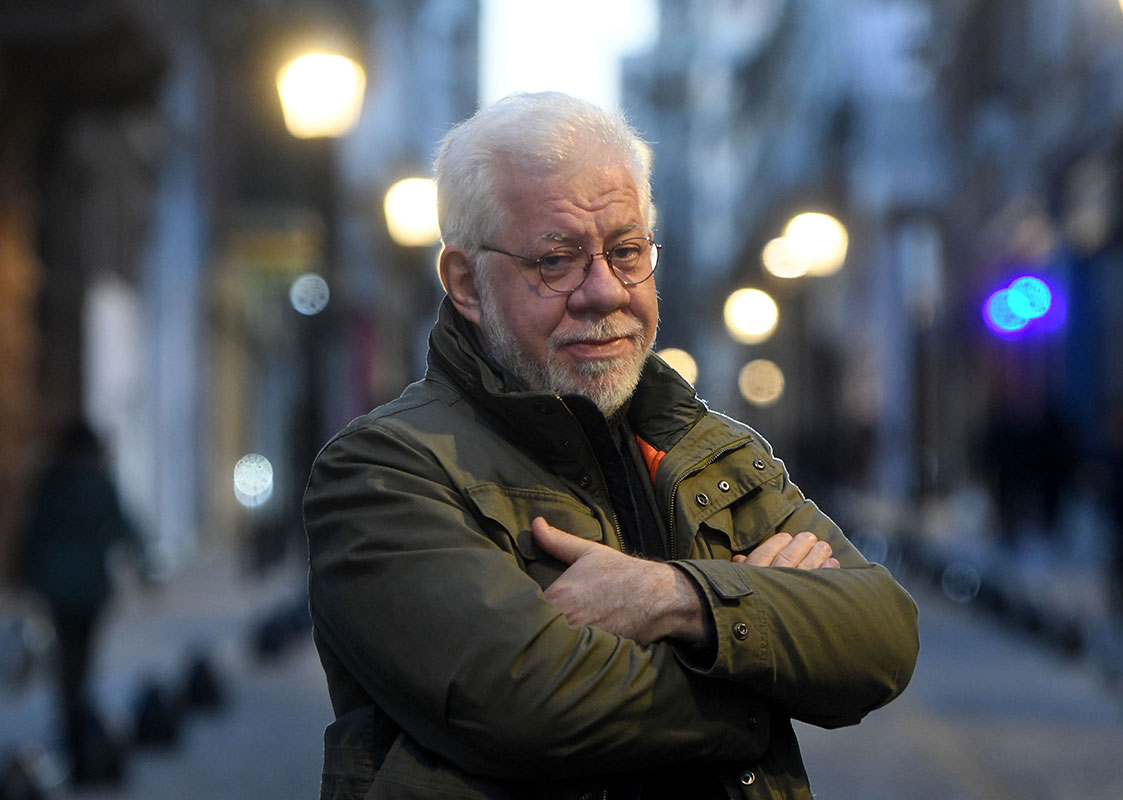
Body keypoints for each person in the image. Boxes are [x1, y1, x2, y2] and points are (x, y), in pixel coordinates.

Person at [304, 92, 919, 800]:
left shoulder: (712, 451)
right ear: (466, 283)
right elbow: (530, 703)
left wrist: (676, 598)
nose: (604, 292)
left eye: (627, 252)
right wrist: (764, 668)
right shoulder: (382, 472)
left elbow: (882, 635)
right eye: (556, 260)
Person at [17, 420, 142, 785]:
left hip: (56, 585)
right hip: (90, 586)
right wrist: (144, 563)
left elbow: (34, 531)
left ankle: (70, 718)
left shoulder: (50, 482)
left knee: (66, 655)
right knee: (82, 655)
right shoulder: (98, 482)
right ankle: (76, 722)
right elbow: (121, 525)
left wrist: (24, 574)